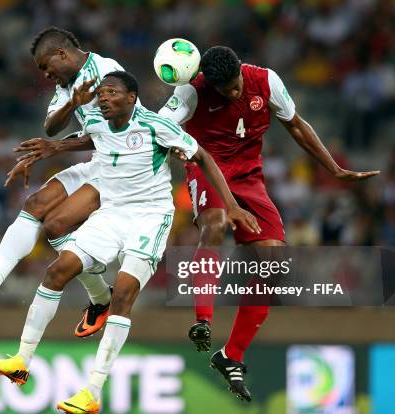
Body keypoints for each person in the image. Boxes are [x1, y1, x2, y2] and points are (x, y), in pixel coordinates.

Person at [0, 71, 260, 414]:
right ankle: (22, 359)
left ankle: (92, 391)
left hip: (150, 217)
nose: (103, 98)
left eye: (111, 93)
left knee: (125, 292)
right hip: (111, 214)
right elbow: (85, 139)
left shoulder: (154, 125)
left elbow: (202, 156)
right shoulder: (99, 123)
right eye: (101, 93)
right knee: (57, 271)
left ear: (131, 98)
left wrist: (231, 205)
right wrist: (52, 148)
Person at [158, 46, 380, 401]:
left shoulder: (265, 80)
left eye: (235, 86)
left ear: (241, 74)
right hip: (206, 169)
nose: (233, 93)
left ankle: (231, 356)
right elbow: (159, 124)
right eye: (224, 90)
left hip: (249, 177)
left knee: (275, 262)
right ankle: (203, 319)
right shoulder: (190, 91)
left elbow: (296, 125)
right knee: (214, 224)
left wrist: (333, 168)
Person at [0, 27, 129, 338]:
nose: (46, 76)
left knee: (54, 227)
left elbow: (120, 134)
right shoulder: (67, 87)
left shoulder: (106, 72)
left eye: (46, 67)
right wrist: (71, 106)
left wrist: (59, 147)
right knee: (35, 205)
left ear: (62, 54)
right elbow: (51, 127)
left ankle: (102, 298)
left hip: (124, 167)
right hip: (100, 163)